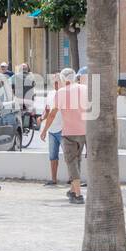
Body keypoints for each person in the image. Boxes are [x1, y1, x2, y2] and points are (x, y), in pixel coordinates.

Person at [48, 67, 87, 204]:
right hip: (83, 132)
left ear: (64, 79)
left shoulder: (61, 92)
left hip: (69, 133)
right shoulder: (84, 89)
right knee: (77, 161)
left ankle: (78, 194)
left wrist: (44, 129)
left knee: (71, 162)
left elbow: (53, 113)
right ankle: (72, 190)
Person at [39, 71, 65, 185]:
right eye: (54, 80)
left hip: (63, 129)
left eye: (57, 80)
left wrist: (44, 129)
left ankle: (72, 179)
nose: (55, 82)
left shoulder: (65, 94)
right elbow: (48, 110)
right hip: (52, 130)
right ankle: (54, 179)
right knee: (52, 156)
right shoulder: (50, 93)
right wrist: (41, 118)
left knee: (69, 156)